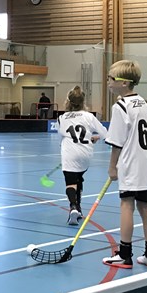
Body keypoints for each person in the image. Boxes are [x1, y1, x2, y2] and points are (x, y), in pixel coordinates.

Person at [102, 60, 147, 269]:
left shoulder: (120, 107)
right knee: (144, 207)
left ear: (124, 83)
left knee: (127, 205)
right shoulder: (143, 103)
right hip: (146, 164)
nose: (108, 82)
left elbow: (117, 142)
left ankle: (124, 254)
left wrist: (112, 167)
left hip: (130, 163)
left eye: (111, 78)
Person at [57, 86, 104, 225]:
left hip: (69, 153)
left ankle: (73, 207)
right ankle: (79, 209)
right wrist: (95, 138)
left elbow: (61, 138)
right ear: (83, 102)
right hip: (85, 154)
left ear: (68, 102)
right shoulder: (89, 116)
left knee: (70, 182)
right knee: (78, 178)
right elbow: (105, 133)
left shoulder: (62, 118)